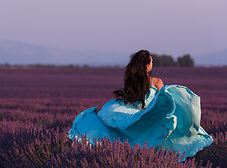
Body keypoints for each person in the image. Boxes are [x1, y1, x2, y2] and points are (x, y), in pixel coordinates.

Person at [68, 50, 213, 162]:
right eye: (151, 62)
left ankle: (128, 157)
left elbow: (131, 99)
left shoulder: (132, 80)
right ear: (148, 65)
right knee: (160, 134)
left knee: (126, 134)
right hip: (148, 114)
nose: (152, 65)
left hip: (134, 111)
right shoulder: (156, 81)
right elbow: (161, 101)